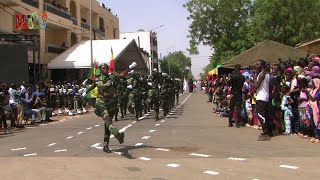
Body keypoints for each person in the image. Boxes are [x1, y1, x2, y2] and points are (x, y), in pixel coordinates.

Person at [87, 61, 137, 153]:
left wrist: (129, 67)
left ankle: (105, 146)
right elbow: (92, 86)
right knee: (107, 120)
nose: (105, 69)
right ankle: (118, 135)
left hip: (111, 104)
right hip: (101, 103)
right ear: (100, 70)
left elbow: (122, 75)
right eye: (103, 68)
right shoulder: (97, 79)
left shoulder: (112, 77)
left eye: (106, 67)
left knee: (107, 125)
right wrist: (84, 91)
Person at [248, 60, 273, 141]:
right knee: (266, 115)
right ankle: (269, 131)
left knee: (261, 115)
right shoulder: (266, 74)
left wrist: (248, 82)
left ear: (262, 66)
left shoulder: (262, 74)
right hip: (265, 97)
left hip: (261, 97)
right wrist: (254, 76)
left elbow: (256, 86)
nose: (256, 65)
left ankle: (266, 133)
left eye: (257, 64)